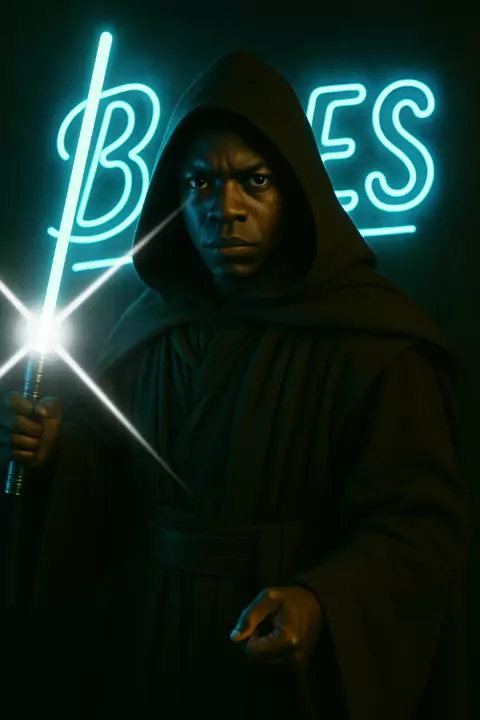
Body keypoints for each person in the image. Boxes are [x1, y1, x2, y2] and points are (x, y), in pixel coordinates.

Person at [0, 51, 469, 719]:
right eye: (199, 183)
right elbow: (113, 479)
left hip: (273, 665)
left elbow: (420, 528)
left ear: (296, 190)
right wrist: (55, 450)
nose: (225, 209)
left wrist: (322, 601)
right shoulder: (150, 327)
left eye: (255, 180)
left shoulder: (373, 342)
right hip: (148, 646)